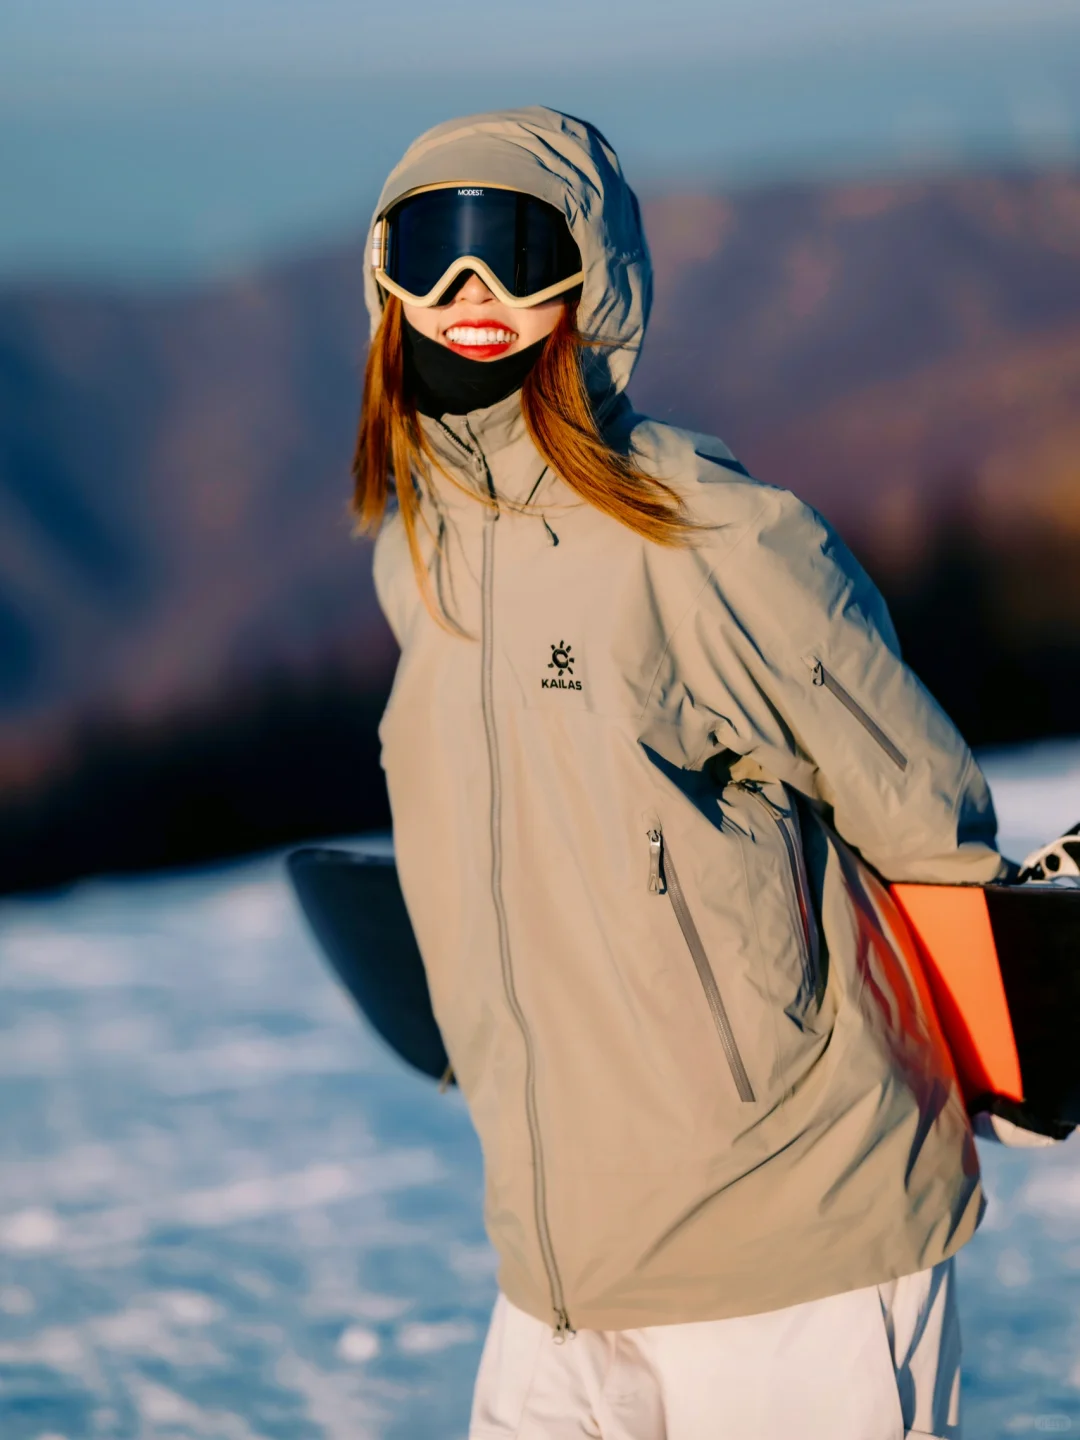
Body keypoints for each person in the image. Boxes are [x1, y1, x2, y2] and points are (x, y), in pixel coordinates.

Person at [352, 107, 1009, 1439]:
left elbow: (922, 812)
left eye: (514, 249)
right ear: (383, 282)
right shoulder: (422, 556)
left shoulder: (707, 533)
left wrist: (1017, 1034)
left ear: (593, 281)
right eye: (431, 249)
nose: (469, 291)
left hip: (796, 1246)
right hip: (558, 1265)